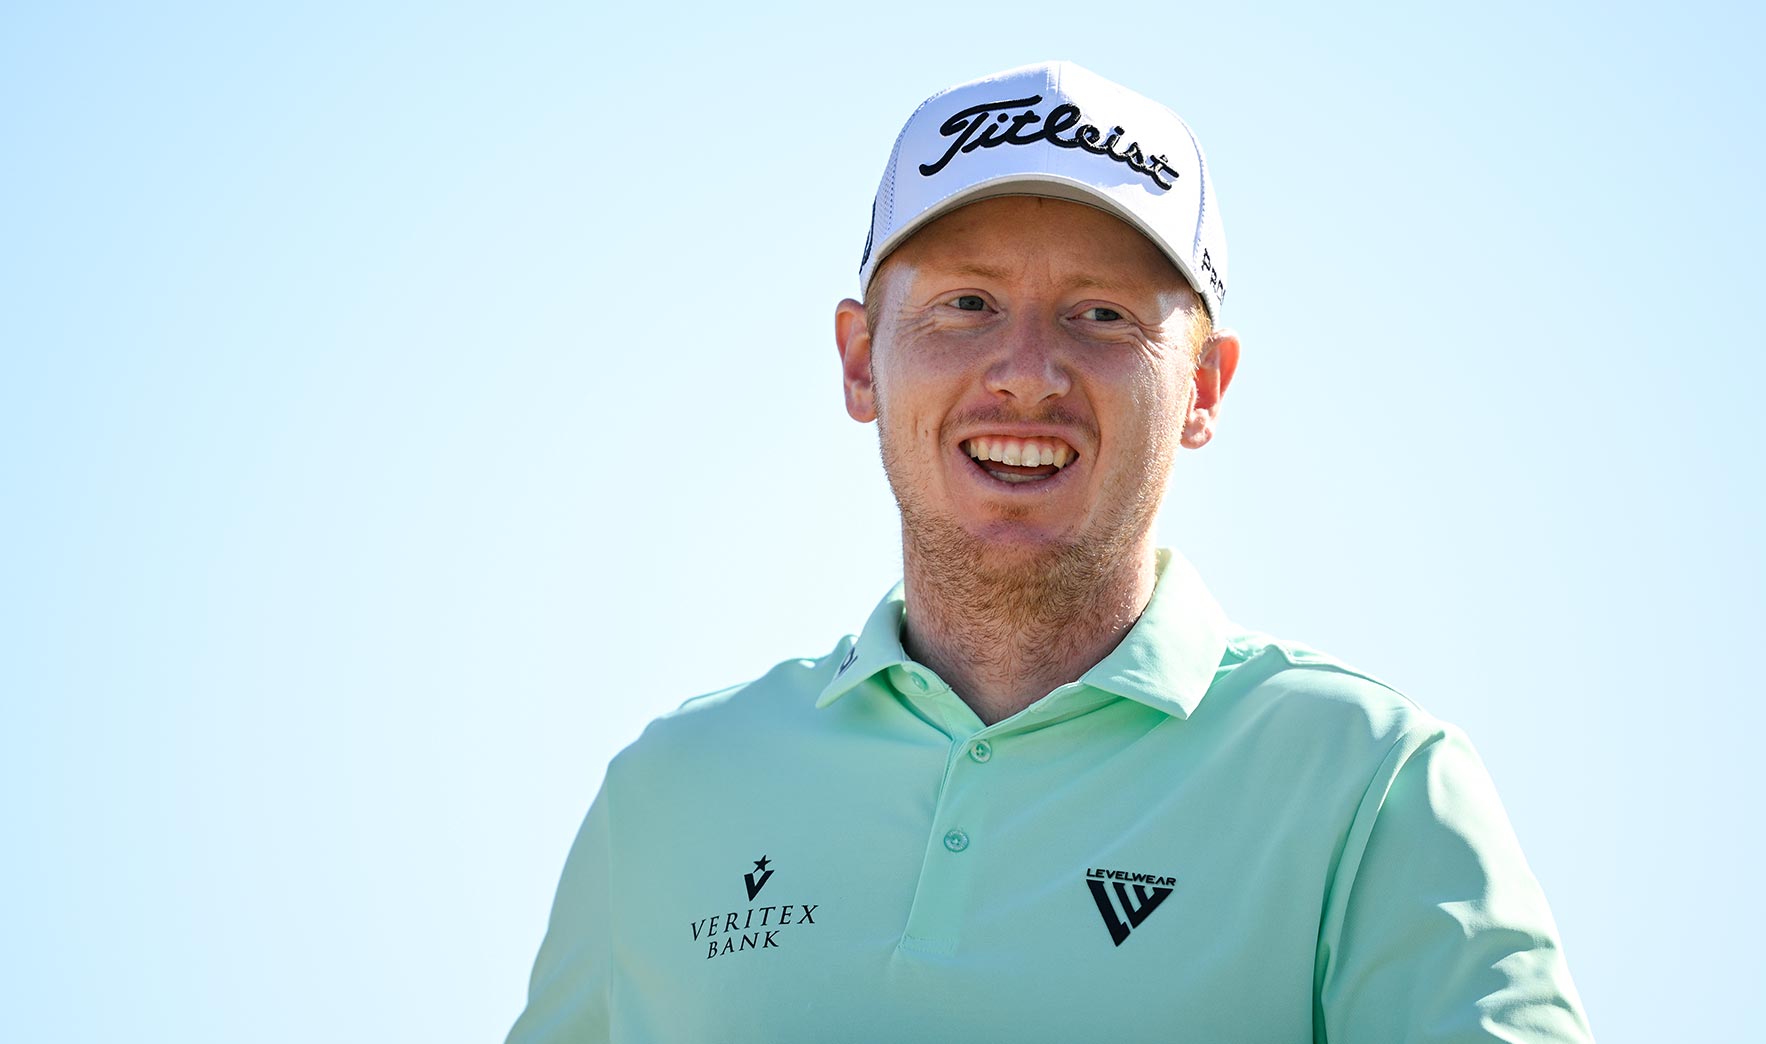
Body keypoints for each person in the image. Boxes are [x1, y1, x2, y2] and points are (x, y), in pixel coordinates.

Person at [505, 61, 1593, 1042]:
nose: (1025, 371)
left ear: (1203, 389)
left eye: (1102, 316)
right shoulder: (669, 793)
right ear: (858, 362)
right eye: (966, 304)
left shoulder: (1370, 782)